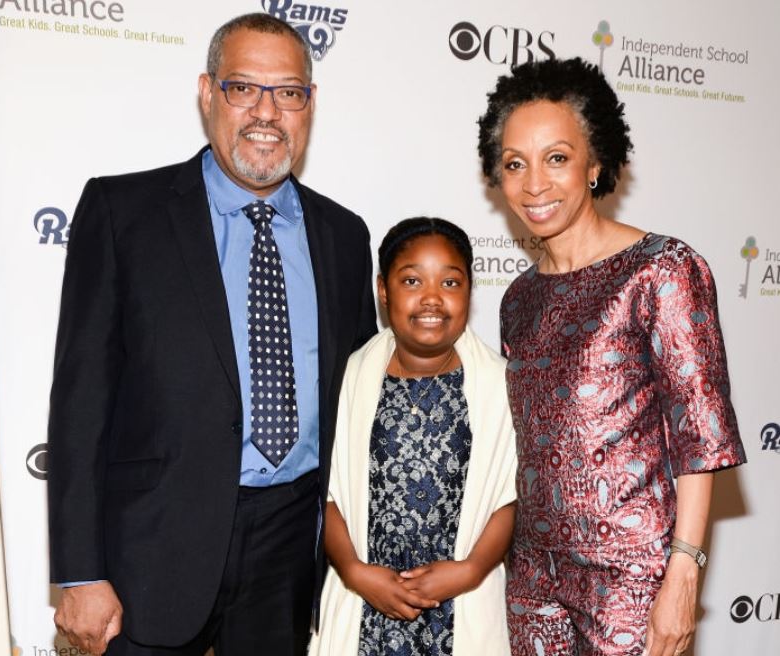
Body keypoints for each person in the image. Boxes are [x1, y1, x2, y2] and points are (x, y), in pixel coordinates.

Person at [47, 12, 376, 656]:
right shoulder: (123, 214)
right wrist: (81, 572)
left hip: (291, 551)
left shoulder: (344, 236)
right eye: (243, 88)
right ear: (207, 93)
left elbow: (360, 403)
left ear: (310, 105)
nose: (266, 112)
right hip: (150, 552)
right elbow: (80, 405)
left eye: (288, 92)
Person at [477, 57, 746, 656]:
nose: (534, 184)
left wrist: (685, 571)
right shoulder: (519, 299)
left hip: (632, 579)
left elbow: (699, 439)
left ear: (595, 163)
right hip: (533, 582)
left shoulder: (662, 270)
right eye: (515, 164)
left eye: (557, 158)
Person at [309, 218, 517, 656]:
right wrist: (351, 569)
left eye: (450, 282)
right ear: (383, 291)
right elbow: (323, 491)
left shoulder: (502, 386)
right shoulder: (346, 377)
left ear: (468, 294)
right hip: (366, 600)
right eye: (411, 280)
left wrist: (471, 569)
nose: (431, 298)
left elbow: (510, 497)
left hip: (461, 598)